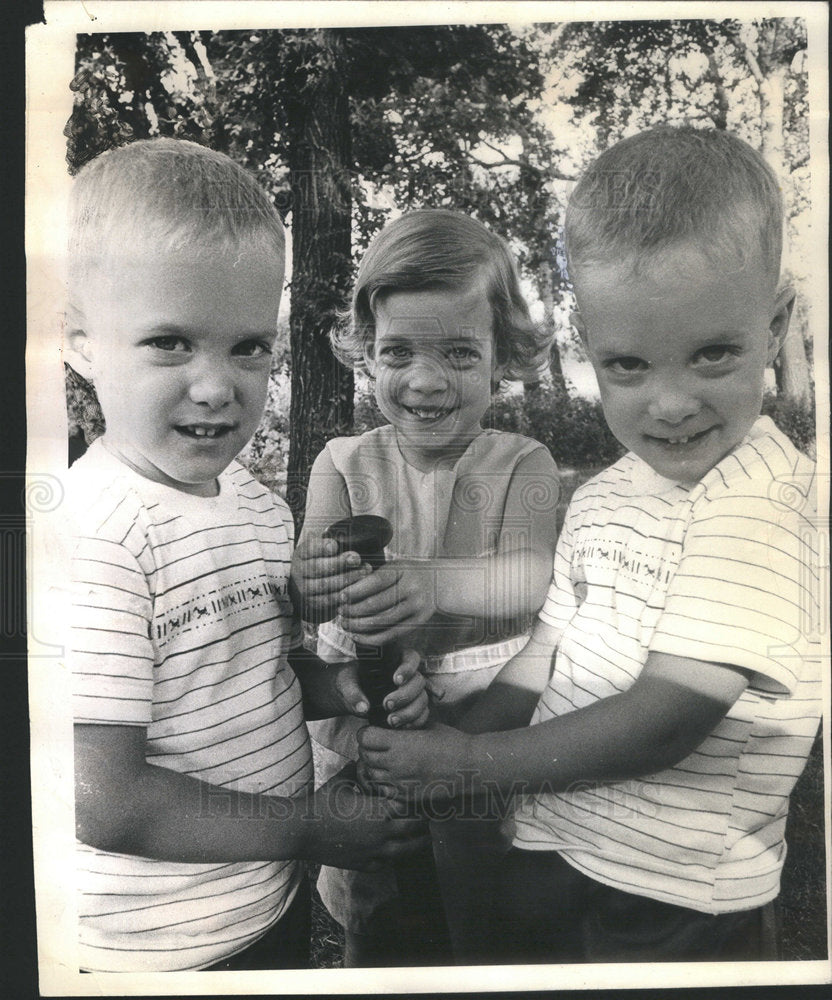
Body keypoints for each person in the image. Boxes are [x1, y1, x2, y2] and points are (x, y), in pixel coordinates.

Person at [358, 126, 823, 964]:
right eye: (630, 365)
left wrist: (470, 769)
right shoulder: (609, 493)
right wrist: (457, 740)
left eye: (714, 354)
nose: (671, 404)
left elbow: (666, 719)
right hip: (554, 845)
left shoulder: (766, 499)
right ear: (589, 346)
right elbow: (547, 656)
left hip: (677, 892)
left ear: (777, 321)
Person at [63, 138, 429, 973]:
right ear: (79, 341)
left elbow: (251, 668)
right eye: (168, 342)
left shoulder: (258, 508)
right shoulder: (96, 535)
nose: (217, 384)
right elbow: (106, 800)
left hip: (267, 906)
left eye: (248, 346)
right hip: (154, 950)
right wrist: (314, 827)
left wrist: (337, 685)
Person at [292, 209, 560, 965]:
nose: (424, 380)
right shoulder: (342, 462)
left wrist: (431, 582)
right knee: (381, 912)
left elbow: (529, 577)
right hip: (372, 729)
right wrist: (312, 577)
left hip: (482, 729)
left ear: (500, 356)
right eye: (398, 351)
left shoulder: (521, 461)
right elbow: (311, 591)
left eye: (459, 353)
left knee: (484, 915)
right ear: (366, 353)